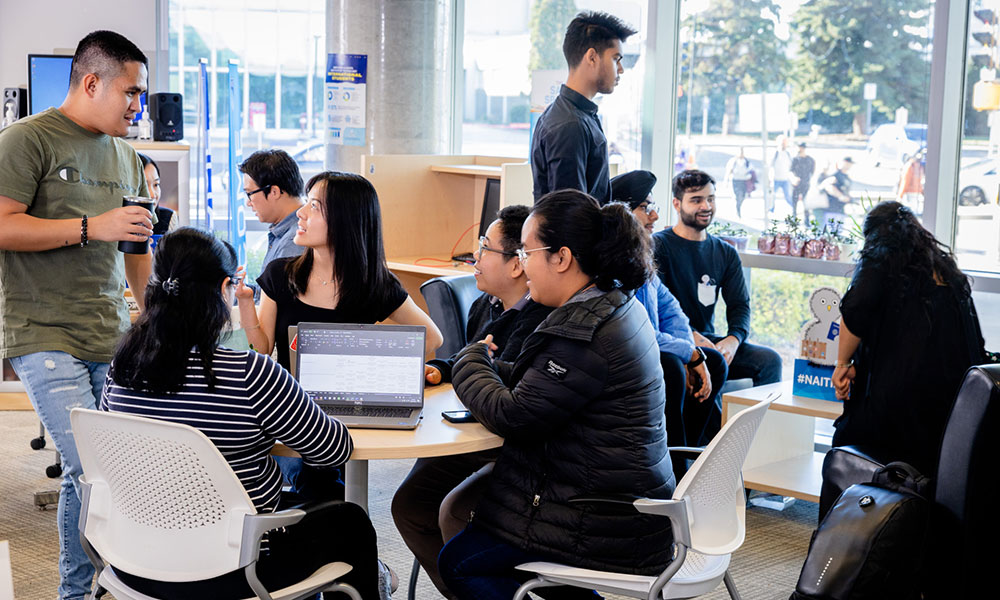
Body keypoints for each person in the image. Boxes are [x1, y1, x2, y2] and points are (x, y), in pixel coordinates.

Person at [101, 228, 383, 599]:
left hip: (135, 562)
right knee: (351, 522)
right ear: (223, 290)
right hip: (234, 570)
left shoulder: (120, 373)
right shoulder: (250, 374)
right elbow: (333, 450)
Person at [438, 190, 675, 600]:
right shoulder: (610, 305)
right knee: (466, 511)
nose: (522, 265)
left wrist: (470, 360)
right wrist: (492, 367)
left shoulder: (584, 335)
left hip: (601, 514)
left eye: (527, 253)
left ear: (562, 258)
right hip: (609, 497)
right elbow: (545, 384)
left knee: (459, 563)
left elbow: (513, 417)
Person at [0, 30, 155, 600]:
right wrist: (94, 226)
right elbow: (1, 225)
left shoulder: (126, 157)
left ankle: (91, 590)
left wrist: (148, 316)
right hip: (41, 331)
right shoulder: (26, 139)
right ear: (92, 82)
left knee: (87, 472)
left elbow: (136, 248)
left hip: (108, 332)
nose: (139, 105)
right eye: (131, 93)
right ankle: (77, 591)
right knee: (94, 467)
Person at [391, 205, 552, 599]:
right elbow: (473, 357)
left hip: (508, 443)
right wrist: (441, 370)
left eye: (484, 248)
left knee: (447, 511)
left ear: (518, 264)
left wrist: (476, 364)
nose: (474, 258)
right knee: (410, 505)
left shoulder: (542, 319)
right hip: (475, 430)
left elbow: (500, 384)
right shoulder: (487, 304)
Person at [832, 201, 986, 477]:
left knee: (845, 437)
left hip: (899, 415)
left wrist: (843, 363)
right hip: (954, 410)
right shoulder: (948, 274)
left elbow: (855, 310)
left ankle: (852, 516)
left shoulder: (880, 262)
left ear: (873, 236)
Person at [236, 171, 443, 372]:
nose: (301, 212)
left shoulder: (375, 283)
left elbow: (433, 338)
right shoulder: (280, 274)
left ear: (344, 219)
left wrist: (374, 366)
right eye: (307, 202)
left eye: (314, 206)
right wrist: (245, 302)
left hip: (350, 404)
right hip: (291, 402)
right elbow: (262, 351)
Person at [611, 170, 729, 457]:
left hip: (657, 346)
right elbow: (635, 331)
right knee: (671, 367)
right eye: (646, 208)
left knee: (713, 361)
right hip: (625, 354)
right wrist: (686, 354)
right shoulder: (613, 264)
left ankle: (685, 455)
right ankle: (670, 467)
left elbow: (671, 311)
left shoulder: (641, 254)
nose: (653, 216)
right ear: (623, 213)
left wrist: (688, 351)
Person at [653, 170, 782, 401]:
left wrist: (733, 340)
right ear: (676, 203)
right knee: (709, 363)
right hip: (673, 341)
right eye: (696, 200)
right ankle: (711, 432)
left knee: (769, 360)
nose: (706, 206)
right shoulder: (658, 247)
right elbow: (657, 312)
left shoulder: (725, 253)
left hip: (710, 342)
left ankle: (761, 433)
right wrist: (691, 342)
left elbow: (740, 305)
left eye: (711, 199)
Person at [531, 11, 637, 205]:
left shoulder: (575, 115)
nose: (620, 69)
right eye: (615, 58)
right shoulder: (570, 125)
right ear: (592, 57)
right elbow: (570, 215)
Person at [240, 149, 306, 271]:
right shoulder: (286, 232)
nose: (248, 203)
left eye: (249, 193)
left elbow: (282, 290)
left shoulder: (295, 241)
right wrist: (252, 291)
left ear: (274, 192)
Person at [137, 153, 179, 236]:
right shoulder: (116, 221)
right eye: (144, 186)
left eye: (156, 184)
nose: (153, 195)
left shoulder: (168, 218)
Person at [816, 156, 854, 222]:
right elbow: (828, 187)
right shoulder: (835, 175)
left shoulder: (846, 177)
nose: (849, 165)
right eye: (847, 163)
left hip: (841, 210)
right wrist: (841, 196)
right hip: (832, 209)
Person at [725, 147, 753, 217]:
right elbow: (728, 171)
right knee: (737, 195)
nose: (741, 154)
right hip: (736, 181)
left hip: (744, 181)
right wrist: (726, 181)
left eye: (742, 152)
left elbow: (751, 171)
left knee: (743, 196)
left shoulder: (746, 161)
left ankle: (738, 206)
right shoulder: (733, 161)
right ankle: (737, 210)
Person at [790, 142, 816, 217]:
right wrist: (793, 178)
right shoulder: (795, 159)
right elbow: (790, 171)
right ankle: (794, 218)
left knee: (806, 203)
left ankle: (807, 220)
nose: (799, 149)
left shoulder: (810, 160)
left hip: (806, 183)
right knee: (794, 202)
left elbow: (812, 172)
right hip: (796, 184)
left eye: (801, 147)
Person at [770, 135, 794, 213]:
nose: (783, 144)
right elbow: (770, 166)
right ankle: (770, 209)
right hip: (776, 179)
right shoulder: (775, 153)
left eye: (785, 142)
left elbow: (791, 166)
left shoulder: (788, 154)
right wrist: (770, 178)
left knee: (788, 197)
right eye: (782, 142)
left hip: (785, 179)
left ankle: (795, 210)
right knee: (771, 196)